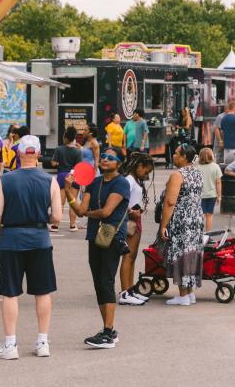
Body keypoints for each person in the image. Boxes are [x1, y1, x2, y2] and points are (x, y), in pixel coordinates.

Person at [0, 134, 61, 359]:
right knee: (42, 291)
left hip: (12, 239)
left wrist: (0, 227)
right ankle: (42, 341)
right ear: (38, 154)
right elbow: (57, 217)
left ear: (19, 153)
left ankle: (10, 345)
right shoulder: (50, 180)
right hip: (40, 238)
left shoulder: (6, 180)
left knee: (10, 292)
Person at [66, 145, 130, 347]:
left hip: (112, 238)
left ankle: (109, 332)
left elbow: (106, 212)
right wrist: (69, 193)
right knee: (98, 284)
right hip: (95, 237)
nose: (104, 160)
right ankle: (107, 329)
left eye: (109, 158)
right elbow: (81, 208)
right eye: (102, 157)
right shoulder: (94, 183)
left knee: (106, 282)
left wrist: (88, 214)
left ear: (118, 163)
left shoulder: (121, 184)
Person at [159, 144, 204, 306]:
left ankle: (183, 295)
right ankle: (190, 293)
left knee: (180, 254)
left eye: (177, 154)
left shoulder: (177, 175)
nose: (174, 156)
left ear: (184, 156)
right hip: (196, 218)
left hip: (182, 220)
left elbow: (170, 202)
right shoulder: (198, 173)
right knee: (191, 253)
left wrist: (163, 225)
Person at [118, 153, 156, 306]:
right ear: (139, 166)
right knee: (128, 257)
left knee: (132, 257)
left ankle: (130, 289)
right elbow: (120, 199)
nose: (146, 175)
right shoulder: (129, 180)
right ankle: (125, 292)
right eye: (146, 171)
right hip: (130, 221)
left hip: (135, 219)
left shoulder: (134, 179)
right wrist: (130, 211)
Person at [51, 126, 82, 230]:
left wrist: (58, 163)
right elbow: (80, 166)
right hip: (74, 176)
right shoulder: (78, 151)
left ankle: (56, 224)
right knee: (73, 201)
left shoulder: (59, 149)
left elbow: (53, 163)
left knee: (60, 202)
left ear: (65, 137)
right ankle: (72, 225)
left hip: (62, 175)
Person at [195, 147, 224, 233]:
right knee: (209, 215)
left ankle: (199, 233)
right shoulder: (215, 167)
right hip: (212, 195)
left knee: (201, 215)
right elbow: (218, 183)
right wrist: (219, 196)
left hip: (200, 195)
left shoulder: (198, 167)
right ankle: (208, 234)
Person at [218, 100, 235, 164]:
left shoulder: (224, 118)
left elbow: (222, 131)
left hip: (226, 145)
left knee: (227, 164)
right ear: (234, 107)